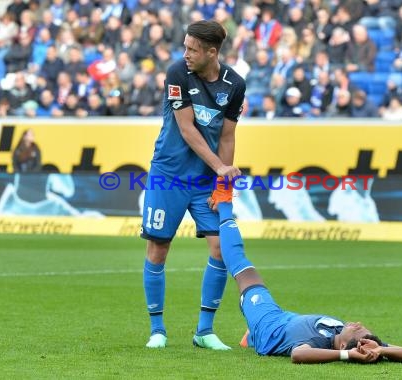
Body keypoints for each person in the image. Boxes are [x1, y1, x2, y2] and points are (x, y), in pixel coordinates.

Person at [207, 179, 402, 364]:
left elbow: (298, 356)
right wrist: (381, 349)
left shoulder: (318, 345)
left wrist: (346, 356)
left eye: (357, 330)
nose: (357, 324)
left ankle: (224, 205)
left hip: (269, 325)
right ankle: (249, 336)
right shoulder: (362, 342)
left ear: (345, 345)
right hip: (286, 317)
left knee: (242, 268)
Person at [141, 20, 246, 350]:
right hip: (167, 174)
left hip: (204, 181)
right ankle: (157, 330)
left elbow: (227, 136)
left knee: (219, 248)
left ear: (212, 52)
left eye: (192, 49)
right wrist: (221, 168)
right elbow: (186, 129)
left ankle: (204, 330)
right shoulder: (176, 74)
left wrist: (222, 184)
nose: (185, 54)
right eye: (184, 46)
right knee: (159, 248)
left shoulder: (235, 84)